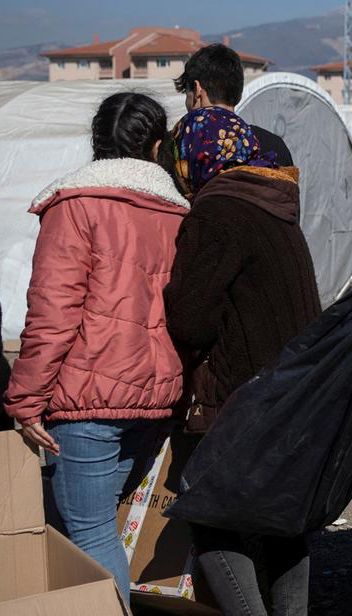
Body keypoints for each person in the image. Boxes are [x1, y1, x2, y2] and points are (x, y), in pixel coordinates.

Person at [3, 92, 189, 603]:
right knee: (99, 524)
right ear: (157, 146)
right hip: (159, 396)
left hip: (89, 396)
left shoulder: (75, 206)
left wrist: (24, 398)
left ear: (97, 142)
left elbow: (51, 314)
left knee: (87, 533)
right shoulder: (179, 212)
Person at [164, 107, 320, 616]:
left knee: (211, 513)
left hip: (239, 395)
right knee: (280, 519)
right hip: (292, 394)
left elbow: (190, 321)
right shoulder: (277, 205)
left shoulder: (217, 212)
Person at [174, 43, 294, 166]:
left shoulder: (178, 146)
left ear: (197, 89)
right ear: (239, 94)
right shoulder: (274, 146)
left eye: (186, 94)